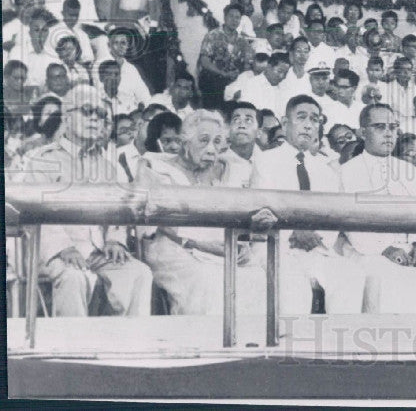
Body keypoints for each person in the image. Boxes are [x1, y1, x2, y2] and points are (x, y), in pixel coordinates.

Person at [10, 85, 152, 317]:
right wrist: (62, 248)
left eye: (101, 114)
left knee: (139, 273)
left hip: (98, 252)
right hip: (55, 252)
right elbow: (35, 212)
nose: (96, 118)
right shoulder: (43, 160)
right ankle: (71, 349)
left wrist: (115, 241)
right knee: (74, 277)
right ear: (66, 117)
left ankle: (128, 345)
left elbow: (119, 210)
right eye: (87, 111)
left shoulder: (107, 165)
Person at [136, 110, 268, 315]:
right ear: (184, 142)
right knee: (208, 281)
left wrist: (239, 243)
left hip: (222, 245)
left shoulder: (230, 169)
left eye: (217, 142)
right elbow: (161, 221)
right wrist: (204, 245)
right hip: (172, 244)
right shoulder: (156, 168)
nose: (211, 149)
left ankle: (248, 345)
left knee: (256, 278)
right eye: (203, 140)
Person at [253, 95, 367, 314]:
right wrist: (294, 232)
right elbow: (265, 205)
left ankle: (337, 345)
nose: (308, 124)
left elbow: (333, 212)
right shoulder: (265, 160)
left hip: (317, 247)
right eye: (301, 117)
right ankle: (292, 346)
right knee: (294, 287)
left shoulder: (326, 169)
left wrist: (317, 236)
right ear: (285, 123)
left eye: (315, 119)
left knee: (350, 275)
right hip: (278, 246)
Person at [338, 103, 416, 313]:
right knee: (390, 277)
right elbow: (351, 221)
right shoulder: (348, 172)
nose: (388, 134)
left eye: (393, 127)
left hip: (411, 248)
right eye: (379, 127)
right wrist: (384, 247)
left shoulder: (409, 170)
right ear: (362, 133)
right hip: (367, 251)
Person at [197, 3, 251, 110]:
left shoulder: (243, 41)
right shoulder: (212, 35)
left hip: (233, 82)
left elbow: (246, 64)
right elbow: (204, 61)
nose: (234, 20)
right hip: (213, 80)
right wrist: (223, 73)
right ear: (225, 17)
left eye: (237, 17)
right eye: (231, 16)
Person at [239, 51, 291, 116]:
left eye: (285, 73)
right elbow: (246, 112)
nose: (282, 76)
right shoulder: (252, 84)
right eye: (279, 71)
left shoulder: (285, 87)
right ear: (269, 67)